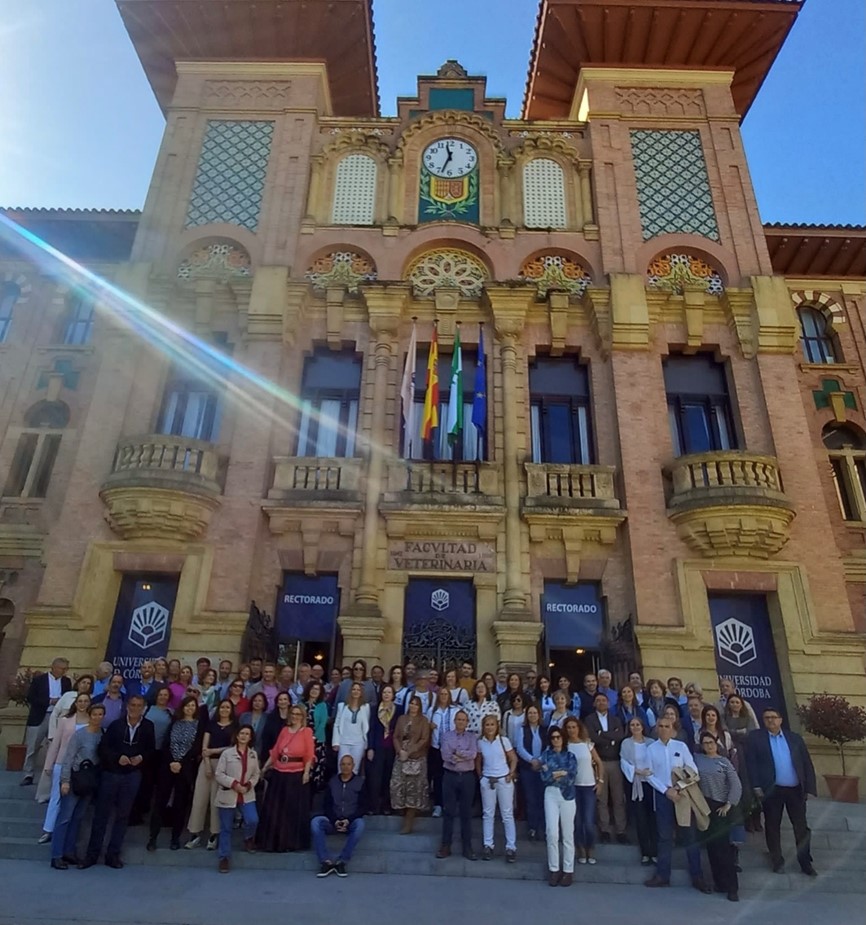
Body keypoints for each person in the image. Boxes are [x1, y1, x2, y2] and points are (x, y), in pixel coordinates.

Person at [81, 694, 155, 869]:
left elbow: (151, 749)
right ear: (127, 706)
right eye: (133, 705)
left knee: (123, 815)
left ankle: (113, 855)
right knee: (101, 815)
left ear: (143, 708)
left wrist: (141, 757)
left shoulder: (148, 726)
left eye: (139, 705)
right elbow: (104, 748)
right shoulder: (116, 725)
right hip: (112, 774)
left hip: (132, 775)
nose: (135, 708)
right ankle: (92, 854)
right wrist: (117, 757)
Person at [746, 707, 817, 876]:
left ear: (780, 720)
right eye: (766, 718)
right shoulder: (756, 739)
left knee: (801, 827)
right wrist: (756, 786)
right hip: (772, 790)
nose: (770, 720)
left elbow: (806, 763)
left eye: (773, 717)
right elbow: (752, 763)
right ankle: (777, 860)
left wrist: (809, 787)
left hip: (795, 790)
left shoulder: (794, 738)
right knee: (772, 826)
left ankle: (805, 862)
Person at [643, 717, 708, 892]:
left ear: (673, 729)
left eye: (667, 726)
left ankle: (697, 876)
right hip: (663, 796)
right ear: (657, 729)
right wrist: (666, 791)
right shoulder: (650, 749)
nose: (664, 729)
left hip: (683, 795)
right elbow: (648, 775)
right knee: (664, 837)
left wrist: (678, 787)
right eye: (661, 726)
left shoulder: (681, 747)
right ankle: (662, 876)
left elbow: (693, 770)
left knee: (689, 836)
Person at [50, 703, 105, 869]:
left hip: (90, 781)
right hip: (75, 779)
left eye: (101, 714)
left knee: (78, 818)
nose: (97, 717)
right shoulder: (79, 735)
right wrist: (65, 780)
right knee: (65, 817)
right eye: (94, 714)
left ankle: (69, 851)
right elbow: (69, 757)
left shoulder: (103, 734)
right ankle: (56, 855)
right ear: (89, 716)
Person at [147, 695, 203, 852]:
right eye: (187, 705)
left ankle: (175, 838)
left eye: (193, 705)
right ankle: (153, 837)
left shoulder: (198, 726)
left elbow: (196, 747)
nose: (190, 708)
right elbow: (166, 743)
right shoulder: (174, 723)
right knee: (160, 802)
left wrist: (181, 763)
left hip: (185, 769)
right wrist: (172, 761)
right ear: (182, 707)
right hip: (168, 766)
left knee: (180, 804)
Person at [258, 704, 315, 852]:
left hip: (296, 774)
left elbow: (309, 754)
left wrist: (306, 773)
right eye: (293, 714)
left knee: (292, 810)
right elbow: (276, 750)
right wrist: (265, 767)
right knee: (276, 810)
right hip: (279, 773)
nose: (295, 717)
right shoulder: (284, 730)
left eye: (298, 714)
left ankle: (291, 843)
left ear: (302, 717)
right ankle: (273, 842)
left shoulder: (306, 732)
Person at [694, 732, 742, 901]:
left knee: (723, 849)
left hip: (720, 806)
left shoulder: (724, 762)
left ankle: (732, 887)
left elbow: (736, 784)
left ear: (716, 743)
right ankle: (719, 883)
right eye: (705, 743)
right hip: (704, 806)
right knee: (712, 848)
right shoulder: (697, 759)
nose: (709, 745)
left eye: (711, 742)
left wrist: (729, 804)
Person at [39, 692, 91, 844]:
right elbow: (56, 744)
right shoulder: (65, 721)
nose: (82, 703)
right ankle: (48, 830)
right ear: (75, 704)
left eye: (85, 701)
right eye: (80, 701)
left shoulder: (92, 721)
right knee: (56, 797)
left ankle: (66, 832)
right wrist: (49, 765)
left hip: (81, 767)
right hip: (61, 763)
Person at [185, 699, 237, 850]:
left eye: (228, 707)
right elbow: (204, 747)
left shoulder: (235, 727)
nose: (225, 710)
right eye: (222, 707)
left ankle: (214, 835)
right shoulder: (211, 725)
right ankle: (194, 834)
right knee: (199, 799)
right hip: (207, 764)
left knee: (216, 801)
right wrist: (207, 764)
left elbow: (232, 747)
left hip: (225, 766)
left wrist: (215, 751)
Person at [214, 724, 261, 873]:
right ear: (237, 735)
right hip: (229, 793)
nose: (244, 736)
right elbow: (219, 774)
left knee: (252, 819)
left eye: (247, 734)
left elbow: (256, 774)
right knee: (226, 827)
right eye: (241, 733)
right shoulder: (227, 753)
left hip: (246, 793)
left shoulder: (253, 754)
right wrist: (234, 784)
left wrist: (248, 785)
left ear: (250, 737)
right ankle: (224, 858)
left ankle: (248, 838)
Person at [312, 754, 366, 877]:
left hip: (351, 821)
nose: (345, 767)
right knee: (316, 822)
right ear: (339, 766)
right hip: (333, 821)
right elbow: (327, 805)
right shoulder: (332, 782)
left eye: (348, 764)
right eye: (343, 764)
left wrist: (349, 820)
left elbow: (363, 807)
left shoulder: (360, 783)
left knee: (360, 825)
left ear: (353, 766)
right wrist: (335, 820)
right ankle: (326, 862)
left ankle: (342, 861)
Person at [585, 692, 628, 844]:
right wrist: (609, 738)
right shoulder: (589, 720)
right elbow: (592, 738)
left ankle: (621, 830)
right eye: (598, 700)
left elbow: (620, 736)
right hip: (598, 762)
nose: (601, 703)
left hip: (615, 761)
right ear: (594, 703)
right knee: (601, 798)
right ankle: (605, 830)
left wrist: (602, 734)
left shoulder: (616, 719)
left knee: (618, 798)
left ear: (608, 703)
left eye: (604, 700)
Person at [21, 658, 72, 786]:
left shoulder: (66, 681)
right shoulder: (39, 680)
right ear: (54, 667)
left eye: (66, 668)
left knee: (54, 746)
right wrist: (49, 701)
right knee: (33, 746)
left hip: (58, 718)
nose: (64, 671)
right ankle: (28, 774)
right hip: (40, 716)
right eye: (62, 668)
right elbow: (31, 697)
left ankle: (50, 775)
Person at [437, 709, 478, 860]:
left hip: (467, 777)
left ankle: (467, 847)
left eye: (463, 720)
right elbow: (445, 755)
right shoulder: (446, 736)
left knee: (466, 813)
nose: (461, 722)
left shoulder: (471, 737)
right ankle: (445, 845)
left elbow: (473, 754)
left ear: (467, 722)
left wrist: (457, 753)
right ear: (454, 721)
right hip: (450, 776)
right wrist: (459, 757)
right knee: (448, 811)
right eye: (458, 719)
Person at [476, 714, 518, 862]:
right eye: (487, 724)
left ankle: (511, 847)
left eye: (492, 724)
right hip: (488, 780)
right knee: (488, 814)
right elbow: (478, 760)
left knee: (507, 814)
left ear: (497, 726)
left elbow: (513, 758)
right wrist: (481, 776)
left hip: (503, 780)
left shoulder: (503, 741)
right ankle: (488, 845)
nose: (489, 727)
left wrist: (511, 773)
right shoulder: (480, 742)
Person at [540, 726, 578, 886]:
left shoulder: (570, 756)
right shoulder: (546, 755)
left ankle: (568, 870)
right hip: (551, 794)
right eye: (553, 737)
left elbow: (572, 776)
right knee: (552, 833)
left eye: (558, 737)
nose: (556, 740)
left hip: (567, 796)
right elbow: (545, 776)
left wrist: (557, 774)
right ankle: (554, 869)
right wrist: (560, 773)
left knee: (568, 834)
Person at [563, 716, 603, 865]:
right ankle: (580, 849)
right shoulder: (565, 746)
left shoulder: (587, 744)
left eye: (574, 727)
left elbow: (599, 763)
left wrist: (600, 781)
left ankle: (590, 847)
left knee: (588, 821)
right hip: (572, 787)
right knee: (577, 821)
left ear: (579, 728)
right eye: (569, 728)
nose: (572, 730)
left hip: (588, 786)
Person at [390, 695, 431, 834]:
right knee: (398, 785)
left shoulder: (424, 721)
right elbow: (395, 736)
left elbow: (424, 739)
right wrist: (399, 750)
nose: (413, 706)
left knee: (414, 790)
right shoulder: (401, 719)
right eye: (412, 704)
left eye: (416, 704)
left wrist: (410, 751)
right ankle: (401, 811)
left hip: (416, 758)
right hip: (401, 757)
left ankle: (409, 822)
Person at [620, 716, 658, 866]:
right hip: (636, 784)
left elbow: (657, 760)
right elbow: (624, 762)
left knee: (652, 819)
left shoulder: (651, 743)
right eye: (632, 725)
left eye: (637, 724)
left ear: (642, 726)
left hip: (651, 784)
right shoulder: (626, 743)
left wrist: (649, 772)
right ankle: (645, 853)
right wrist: (636, 771)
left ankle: (654, 852)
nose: (635, 727)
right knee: (641, 819)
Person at [724, 693, 761, 832]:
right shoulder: (725, 718)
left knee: (749, 786)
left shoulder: (748, 718)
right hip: (732, 755)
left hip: (747, 754)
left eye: (737, 702)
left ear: (741, 704)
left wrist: (735, 733)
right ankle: (742, 819)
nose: (734, 704)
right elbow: (726, 733)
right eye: (732, 702)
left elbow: (751, 734)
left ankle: (754, 818)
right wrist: (739, 732)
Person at [366, 683, 398, 815]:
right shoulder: (374, 709)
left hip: (391, 748)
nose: (386, 695)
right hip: (377, 747)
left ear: (393, 695)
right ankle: (373, 806)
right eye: (384, 692)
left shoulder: (399, 709)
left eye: (389, 692)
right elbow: (371, 729)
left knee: (388, 777)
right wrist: (370, 747)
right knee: (375, 778)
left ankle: (386, 805)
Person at [515, 703, 546, 841]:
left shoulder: (545, 729)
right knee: (531, 798)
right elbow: (520, 748)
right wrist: (531, 760)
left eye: (535, 713)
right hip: (527, 768)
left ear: (539, 715)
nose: (532, 715)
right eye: (530, 713)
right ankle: (532, 827)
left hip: (543, 768)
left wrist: (539, 760)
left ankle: (544, 828)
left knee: (543, 798)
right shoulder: (522, 729)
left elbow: (549, 747)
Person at [428, 686, 459, 818]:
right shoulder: (432, 710)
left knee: (452, 778)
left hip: (452, 749)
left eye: (446, 694)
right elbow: (426, 726)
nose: (444, 696)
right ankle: (438, 805)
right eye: (441, 694)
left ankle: (451, 805)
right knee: (438, 777)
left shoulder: (455, 710)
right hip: (436, 748)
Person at [332, 681, 370, 771]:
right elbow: (336, 724)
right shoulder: (342, 706)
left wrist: (365, 745)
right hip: (344, 742)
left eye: (358, 690)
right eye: (353, 689)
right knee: (341, 768)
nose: (356, 691)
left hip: (358, 743)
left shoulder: (366, 707)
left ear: (361, 692)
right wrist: (336, 742)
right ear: (350, 691)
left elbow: (366, 726)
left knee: (354, 769)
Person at [303, 680, 330, 791]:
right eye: (312, 688)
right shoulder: (301, 704)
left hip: (317, 741)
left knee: (316, 767)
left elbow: (323, 723)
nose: (314, 691)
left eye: (317, 689)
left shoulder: (322, 705)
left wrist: (313, 738)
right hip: (302, 741)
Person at [261, 691, 292, 760]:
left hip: (290, 753)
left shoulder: (294, 718)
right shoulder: (271, 718)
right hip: (272, 752)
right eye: (280, 700)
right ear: (277, 703)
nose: (282, 701)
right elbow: (266, 737)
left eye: (285, 699)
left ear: (289, 702)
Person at [240, 691, 269, 758]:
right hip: (243, 751)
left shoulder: (268, 718)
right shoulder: (244, 716)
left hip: (260, 752)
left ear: (264, 704)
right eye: (255, 701)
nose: (257, 703)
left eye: (260, 701)